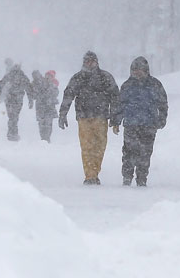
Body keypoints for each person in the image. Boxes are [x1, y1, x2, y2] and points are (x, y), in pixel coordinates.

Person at [58, 51, 119, 185]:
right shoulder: (78, 78)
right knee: (86, 146)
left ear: (97, 62)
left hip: (101, 117)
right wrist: (63, 113)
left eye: (92, 61)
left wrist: (115, 117)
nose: (90, 63)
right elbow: (68, 95)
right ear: (83, 62)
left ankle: (94, 172)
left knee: (100, 146)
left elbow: (115, 97)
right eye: (87, 61)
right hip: (84, 117)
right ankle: (90, 176)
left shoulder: (105, 77)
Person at [111, 56, 168, 186]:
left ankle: (142, 178)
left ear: (146, 70)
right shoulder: (127, 85)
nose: (137, 72)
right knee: (129, 152)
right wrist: (116, 121)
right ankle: (127, 177)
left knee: (145, 153)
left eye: (140, 69)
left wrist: (162, 118)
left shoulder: (155, 84)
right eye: (134, 70)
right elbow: (120, 104)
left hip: (149, 125)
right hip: (131, 124)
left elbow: (163, 103)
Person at [0, 62, 33, 141]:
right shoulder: (23, 76)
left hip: (9, 99)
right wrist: (30, 100)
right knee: (14, 116)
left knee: (11, 116)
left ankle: (11, 133)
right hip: (18, 99)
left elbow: (1, 86)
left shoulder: (9, 75)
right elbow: (29, 89)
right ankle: (13, 133)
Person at [32, 69, 60, 142]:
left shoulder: (54, 86)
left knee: (48, 124)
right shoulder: (40, 83)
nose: (48, 77)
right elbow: (34, 92)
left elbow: (55, 94)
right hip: (40, 108)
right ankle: (43, 138)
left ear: (52, 77)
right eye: (47, 75)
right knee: (41, 124)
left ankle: (47, 138)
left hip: (49, 108)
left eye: (50, 76)